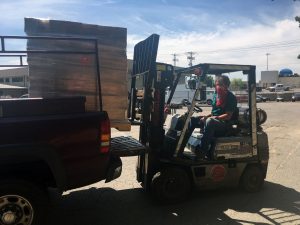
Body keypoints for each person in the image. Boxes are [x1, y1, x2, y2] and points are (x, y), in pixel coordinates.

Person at [183, 74, 237, 159]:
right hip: (215, 120)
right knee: (193, 120)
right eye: (216, 84)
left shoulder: (231, 97)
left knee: (210, 122)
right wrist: (206, 116)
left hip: (225, 124)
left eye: (220, 84)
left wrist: (213, 118)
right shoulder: (216, 95)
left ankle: (202, 151)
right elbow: (213, 112)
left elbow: (228, 116)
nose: (217, 87)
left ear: (226, 85)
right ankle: (182, 145)